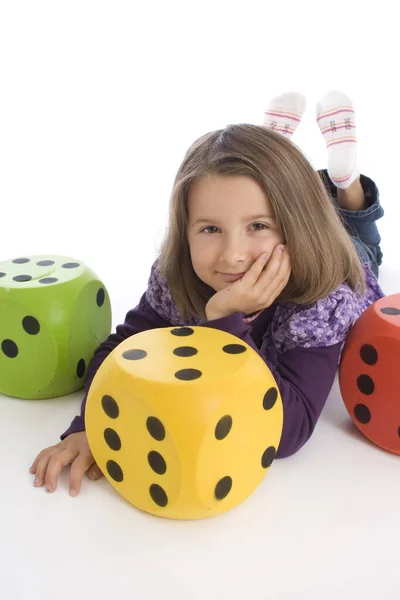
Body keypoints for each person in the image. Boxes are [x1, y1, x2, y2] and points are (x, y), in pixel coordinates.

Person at [29, 90, 385, 497]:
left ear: (296, 227)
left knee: (360, 237)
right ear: (185, 231)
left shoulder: (324, 300)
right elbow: (119, 351)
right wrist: (90, 424)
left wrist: (226, 323)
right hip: (292, 218)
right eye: (210, 229)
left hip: (342, 253)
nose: (232, 257)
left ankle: (345, 180)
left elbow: (289, 433)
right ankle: (275, 151)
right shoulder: (179, 273)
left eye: (258, 226)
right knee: (258, 197)